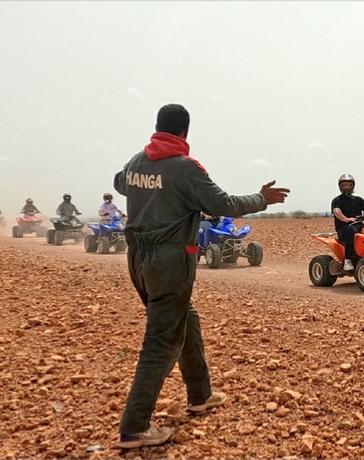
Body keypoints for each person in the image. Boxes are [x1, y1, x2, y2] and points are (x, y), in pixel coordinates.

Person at [112, 103, 289, 449]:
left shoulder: (136, 162)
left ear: (157, 127)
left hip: (138, 260)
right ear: (184, 132)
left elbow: (120, 183)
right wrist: (262, 198)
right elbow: (223, 204)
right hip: (169, 261)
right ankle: (135, 426)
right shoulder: (184, 168)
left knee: (184, 318)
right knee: (161, 340)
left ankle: (200, 395)